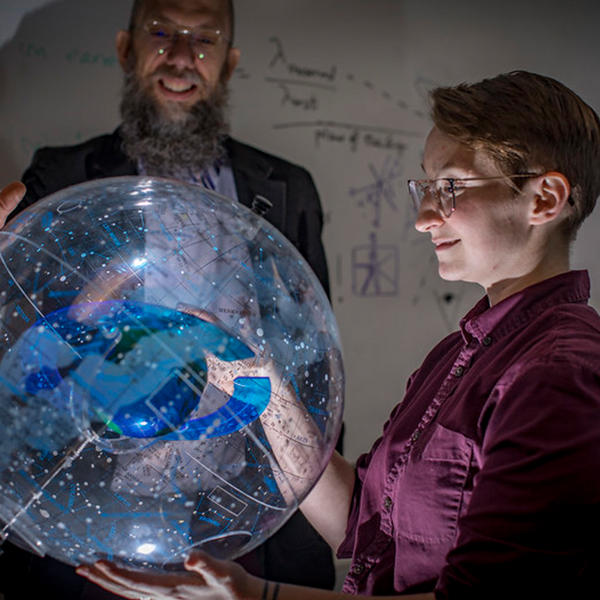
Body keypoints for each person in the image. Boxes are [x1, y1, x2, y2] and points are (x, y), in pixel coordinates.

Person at [75, 70, 600, 599]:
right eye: (425, 186)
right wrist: (258, 383)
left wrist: (258, 596)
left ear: (544, 199)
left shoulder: (557, 374)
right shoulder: (465, 349)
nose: (423, 218)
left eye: (451, 187)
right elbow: (358, 520)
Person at [0, 0, 338, 597]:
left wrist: (325, 506)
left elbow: (313, 359)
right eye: (161, 33)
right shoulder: (62, 176)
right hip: (99, 515)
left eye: (203, 41)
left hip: (248, 512)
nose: (181, 57)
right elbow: (22, 345)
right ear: (126, 50)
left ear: (227, 64)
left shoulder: (287, 190)